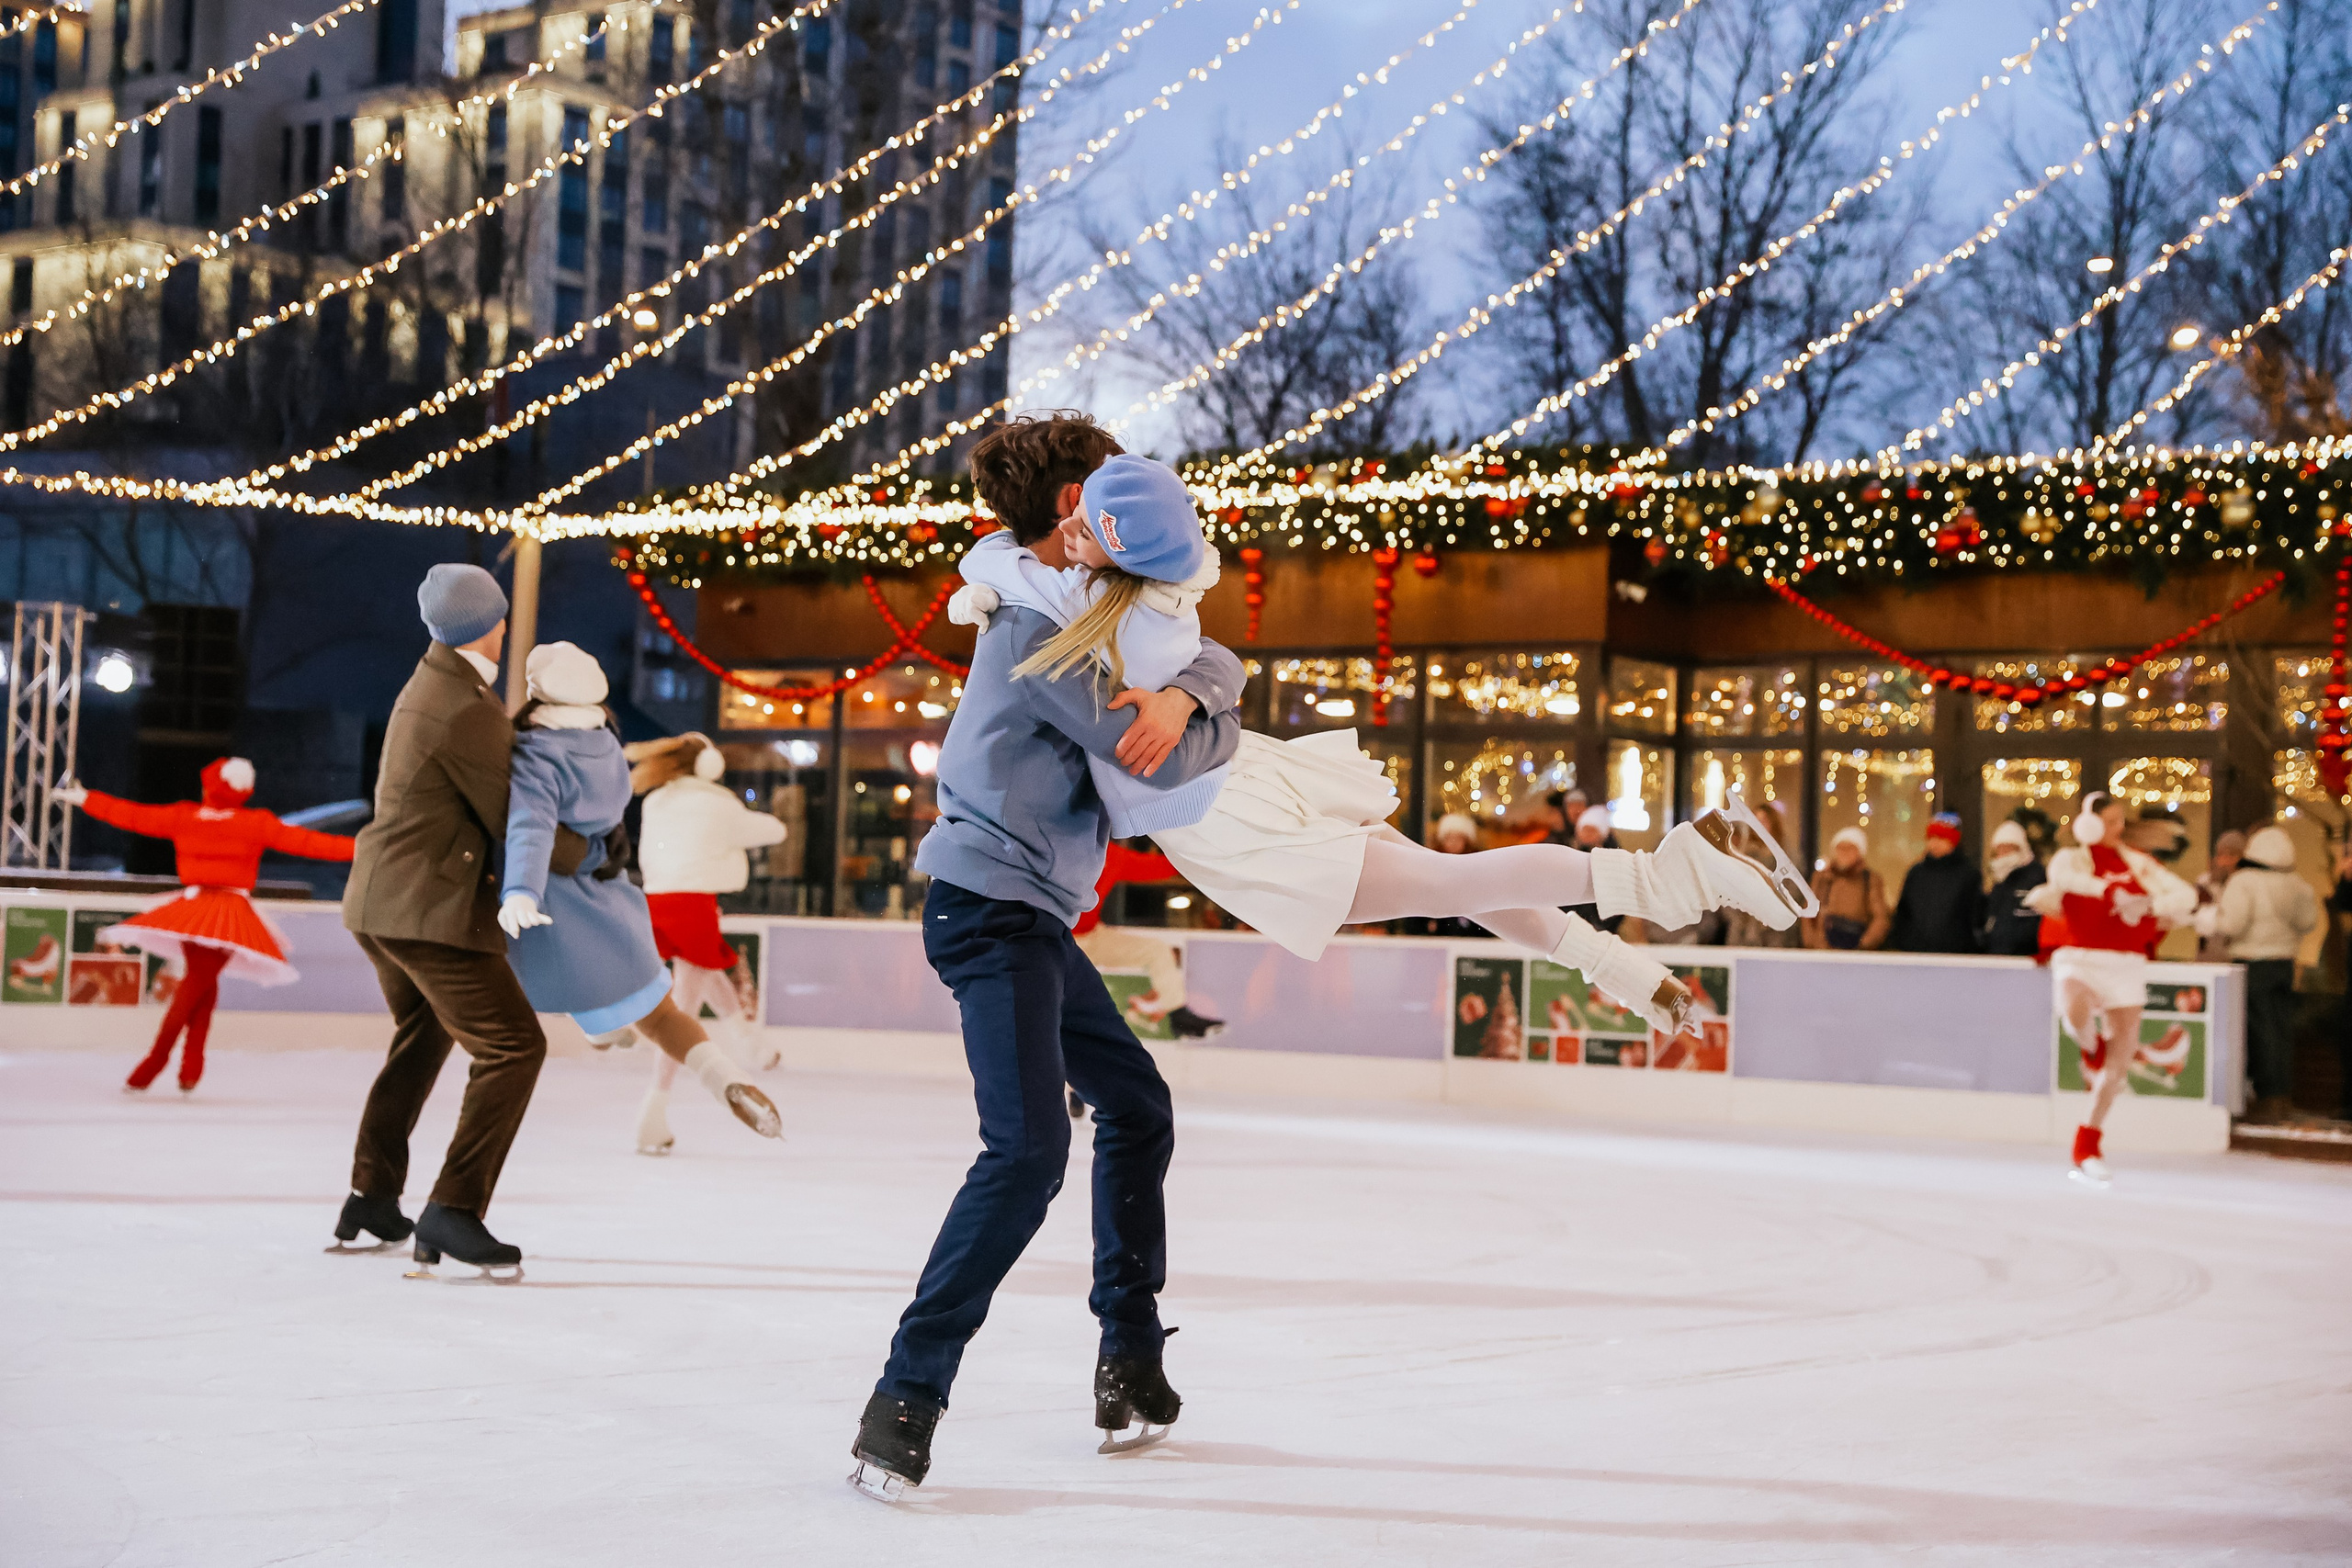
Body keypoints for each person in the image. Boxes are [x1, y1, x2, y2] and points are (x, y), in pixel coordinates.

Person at [949, 446, 1803, 1040]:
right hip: (1245, 779)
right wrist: (1624, 972)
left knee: (1454, 877)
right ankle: (1616, 949)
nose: (1071, 543)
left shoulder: (1083, 601)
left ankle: (1674, 870)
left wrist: (988, 588)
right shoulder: (1148, 583)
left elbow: (1018, 574)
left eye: (1088, 528)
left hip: (1217, 812)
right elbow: (1029, 565)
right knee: (1454, 882)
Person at [849, 417, 1248, 1503]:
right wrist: (1212, 718)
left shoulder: (1075, 606)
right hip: (988, 907)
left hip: (1027, 912)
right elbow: (1142, 752)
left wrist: (1191, 687)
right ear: (1078, 506)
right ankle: (904, 1398)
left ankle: (1128, 1362)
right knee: (1025, 1153)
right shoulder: (1031, 622)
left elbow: (1196, 647)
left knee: (1136, 1103)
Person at [337, 564, 599, 1277]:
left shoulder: (439, 686)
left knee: (423, 1036)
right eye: (502, 616)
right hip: (426, 908)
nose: (507, 625)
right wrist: (595, 852)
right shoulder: (464, 708)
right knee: (514, 1046)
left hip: (384, 900)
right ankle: (454, 1209)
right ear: (490, 623)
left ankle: (371, 1194)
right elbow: (515, 818)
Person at [496, 644, 783, 1156]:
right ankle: (691, 1085)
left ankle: (617, 1031)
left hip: (636, 900)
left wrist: (520, 886)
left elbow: (536, 825)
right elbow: (769, 831)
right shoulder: (613, 754)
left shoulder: (646, 793)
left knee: (670, 983)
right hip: (658, 904)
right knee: (670, 1008)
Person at [54, 758, 356, 1093]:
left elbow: (135, 816)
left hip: (196, 909)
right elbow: (312, 843)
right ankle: (179, 1064)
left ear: (211, 788)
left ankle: (169, 1063)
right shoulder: (254, 823)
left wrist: (87, 800)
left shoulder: (187, 817)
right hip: (222, 912)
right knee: (201, 985)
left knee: (198, 983)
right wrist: (366, 848)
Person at [624, 731, 788, 1156]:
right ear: (709, 767)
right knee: (683, 1013)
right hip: (693, 903)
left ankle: (747, 1037)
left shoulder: (656, 800)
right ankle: (653, 1109)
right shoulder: (717, 804)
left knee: (706, 968)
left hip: (656, 902)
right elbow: (770, 830)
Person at [2030, 791, 2198, 1185]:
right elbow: (2064, 881)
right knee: (2074, 1012)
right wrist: (2110, 893)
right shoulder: (2070, 858)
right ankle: (2091, 1046)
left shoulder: (2138, 863)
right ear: (2088, 823)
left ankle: (2088, 1141)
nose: (2118, 828)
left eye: (2121, 820)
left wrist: (2148, 906)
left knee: (2119, 1064)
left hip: (2125, 962)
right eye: (2110, 821)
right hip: (2080, 956)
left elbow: (2185, 896)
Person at [2199, 825, 2320, 1123]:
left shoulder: (2244, 881)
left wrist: (2207, 920)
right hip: (2284, 964)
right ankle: (2281, 1097)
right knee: (2280, 1032)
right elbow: (2309, 921)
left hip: (2252, 964)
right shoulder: (2298, 884)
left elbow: (2232, 925)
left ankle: (2264, 1099)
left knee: (2257, 1033)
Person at [1708, 800, 1802, 949]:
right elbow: (1727, 890)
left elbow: (1793, 892)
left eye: (1764, 821)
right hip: (1742, 930)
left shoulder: (1786, 858)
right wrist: (1737, 917)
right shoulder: (1741, 856)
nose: (1759, 825)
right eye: (1756, 821)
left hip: (1774, 930)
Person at [1888, 813, 1984, 953]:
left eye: (1941, 838)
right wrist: (1903, 941)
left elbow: (1974, 916)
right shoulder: (1916, 873)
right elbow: (1903, 911)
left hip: (1954, 954)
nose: (1935, 843)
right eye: (1931, 838)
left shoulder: (1968, 875)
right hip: (1916, 951)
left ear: (1953, 841)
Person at [1804, 827, 1891, 950]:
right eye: (1840, 848)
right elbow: (1808, 913)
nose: (1844, 853)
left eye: (1850, 848)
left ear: (1859, 852)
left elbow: (1880, 918)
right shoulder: (1822, 878)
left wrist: (1863, 944)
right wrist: (1814, 943)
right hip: (1823, 950)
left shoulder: (1870, 880)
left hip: (1855, 951)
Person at [1981, 819, 2047, 957]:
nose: (2003, 853)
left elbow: (2036, 920)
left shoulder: (2035, 877)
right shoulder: (2000, 879)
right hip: (1997, 953)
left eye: (2008, 848)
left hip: (2024, 956)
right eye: (2000, 848)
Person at [1561, 805, 1624, 936]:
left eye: (1591, 830)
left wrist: (1602, 924)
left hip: (1603, 926)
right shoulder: (1572, 855)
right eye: (1584, 830)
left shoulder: (1614, 858)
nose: (1586, 835)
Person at [2194, 829, 2245, 962]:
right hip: (2207, 953)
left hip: (2235, 954)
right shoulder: (2205, 882)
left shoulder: (2246, 885)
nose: (2226, 860)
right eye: (2222, 854)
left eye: (2233, 854)